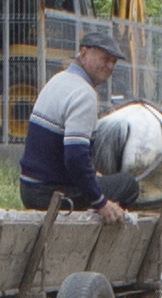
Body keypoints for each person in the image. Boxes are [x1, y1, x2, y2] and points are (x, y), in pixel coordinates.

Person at [19, 30, 139, 220]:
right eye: (105, 59)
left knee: (96, 179)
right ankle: (104, 228)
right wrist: (100, 201)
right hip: (51, 194)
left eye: (113, 62)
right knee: (128, 185)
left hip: (29, 188)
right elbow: (75, 158)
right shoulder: (84, 93)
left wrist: (91, 176)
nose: (109, 66)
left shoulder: (58, 79)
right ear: (84, 54)